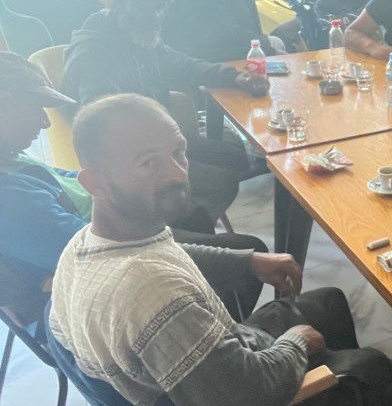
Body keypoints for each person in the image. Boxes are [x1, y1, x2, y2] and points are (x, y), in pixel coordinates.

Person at [48, 94, 392, 406]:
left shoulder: (86, 246)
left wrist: (247, 260)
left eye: (178, 152)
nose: (176, 173)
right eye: (147, 164)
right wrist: (296, 343)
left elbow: (162, 249)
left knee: (329, 301)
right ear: (96, 183)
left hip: (217, 375)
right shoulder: (154, 298)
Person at [0, 53, 267, 326]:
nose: (45, 122)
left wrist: (114, 181)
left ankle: (214, 316)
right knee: (247, 253)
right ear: (5, 101)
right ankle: (215, 334)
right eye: (36, 107)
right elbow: (102, 253)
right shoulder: (8, 198)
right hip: (101, 273)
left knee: (191, 202)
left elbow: (60, 178)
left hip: (111, 227)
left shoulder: (8, 156)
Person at [62, 0, 266, 218]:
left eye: (159, 7)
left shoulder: (140, 37)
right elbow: (101, 124)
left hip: (157, 141)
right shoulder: (94, 54)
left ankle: (190, 221)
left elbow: (185, 65)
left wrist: (235, 77)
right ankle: (178, 231)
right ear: (118, 5)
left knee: (236, 157)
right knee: (220, 182)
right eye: (143, 4)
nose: (154, 14)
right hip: (132, 157)